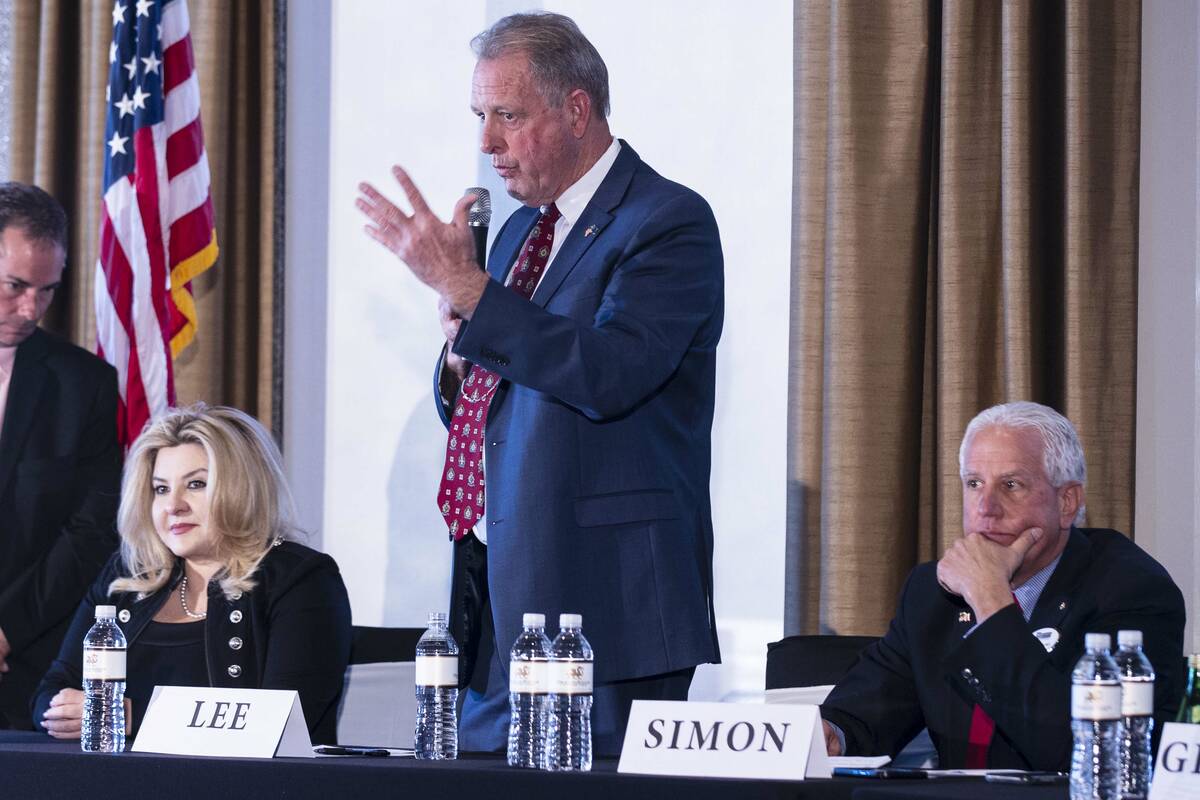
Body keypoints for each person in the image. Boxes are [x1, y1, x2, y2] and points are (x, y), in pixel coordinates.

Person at [356, 12, 722, 754]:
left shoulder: (667, 221)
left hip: (609, 609)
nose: (486, 142)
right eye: (479, 117)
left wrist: (473, 293)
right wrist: (461, 357)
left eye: (507, 116)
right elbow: (495, 392)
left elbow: (612, 371)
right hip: (501, 602)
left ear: (576, 109)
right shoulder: (523, 229)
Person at [820, 401, 1186, 769]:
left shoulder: (1131, 591)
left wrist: (990, 600)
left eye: (1011, 485)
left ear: (1067, 502)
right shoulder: (931, 590)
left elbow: (1087, 755)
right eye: (974, 483)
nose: (986, 507)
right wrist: (834, 731)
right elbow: (870, 708)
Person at [32, 404, 352, 744]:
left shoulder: (301, 580)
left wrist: (128, 716)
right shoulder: (128, 577)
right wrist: (60, 712)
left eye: (196, 484)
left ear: (243, 487)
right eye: (161, 489)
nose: (174, 505)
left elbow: (281, 720)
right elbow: (53, 689)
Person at [0, 182, 121, 729]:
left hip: (24, 664)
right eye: (15, 286)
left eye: (47, 290)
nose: (31, 309)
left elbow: (90, 530)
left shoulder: (86, 385)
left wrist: (7, 627)